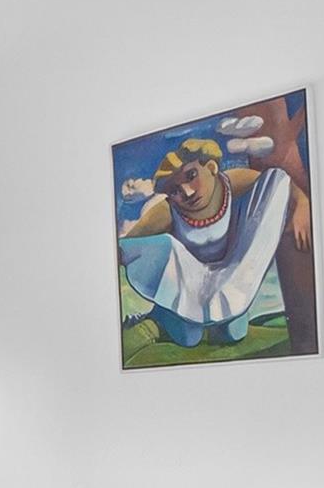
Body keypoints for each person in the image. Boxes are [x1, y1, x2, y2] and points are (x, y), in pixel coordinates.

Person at [118, 137, 312, 346]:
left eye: (191, 176)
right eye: (175, 190)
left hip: (228, 277)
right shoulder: (167, 211)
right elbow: (126, 244)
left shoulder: (230, 182)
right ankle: (162, 317)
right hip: (189, 284)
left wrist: (302, 202)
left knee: (233, 334)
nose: (187, 192)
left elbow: (276, 181)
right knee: (188, 338)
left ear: (210, 167)